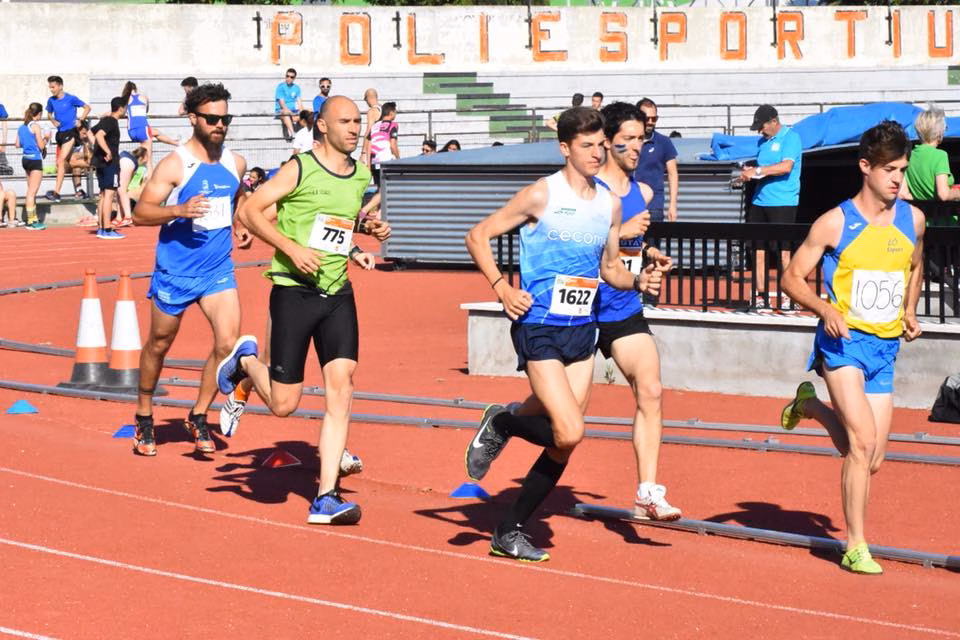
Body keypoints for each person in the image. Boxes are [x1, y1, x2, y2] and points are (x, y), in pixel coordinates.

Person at [462, 106, 664, 562]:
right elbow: (478, 235)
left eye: (600, 145)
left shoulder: (608, 204)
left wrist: (639, 281)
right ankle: (504, 422)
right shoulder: (541, 194)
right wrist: (500, 287)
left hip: (582, 330)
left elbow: (610, 268)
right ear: (565, 148)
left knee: (562, 442)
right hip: (539, 325)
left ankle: (509, 530)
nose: (597, 153)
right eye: (587, 146)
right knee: (570, 430)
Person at [217, 96, 391, 525]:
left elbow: (334, 221)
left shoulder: (361, 174)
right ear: (324, 128)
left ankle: (326, 496)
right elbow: (249, 210)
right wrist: (291, 248)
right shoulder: (299, 167)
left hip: (337, 293)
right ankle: (245, 363)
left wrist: (361, 238)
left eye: (357, 122)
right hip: (294, 291)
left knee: (342, 385)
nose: (355, 128)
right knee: (284, 405)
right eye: (345, 122)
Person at [780, 121, 924, 575]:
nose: (898, 179)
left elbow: (915, 266)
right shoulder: (835, 222)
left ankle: (813, 408)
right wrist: (824, 308)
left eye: (902, 169)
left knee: (874, 458)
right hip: (842, 345)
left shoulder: (913, 219)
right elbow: (791, 278)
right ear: (866, 167)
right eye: (889, 170)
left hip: (884, 348)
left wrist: (909, 309)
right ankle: (855, 544)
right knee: (861, 444)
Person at [131, 82, 252, 457]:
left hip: (218, 270)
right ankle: (144, 415)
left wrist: (242, 221)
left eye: (225, 118)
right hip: (176, 271)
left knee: (227, 344)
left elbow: (238, 197)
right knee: (159, 344)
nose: (220, 125)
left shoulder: (236, 162)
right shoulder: (176, 164)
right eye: (213, 118)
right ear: (193, 117)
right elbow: (140, 214)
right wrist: (178, 210)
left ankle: (199, 414)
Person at [594, 102, 680, 521]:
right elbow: (573, 249)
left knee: (651, 390)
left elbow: (626, 249)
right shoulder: (588, 190)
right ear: (606, 143)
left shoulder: (642, 192)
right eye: (625, 139)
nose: (635, 147)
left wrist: (647, 251)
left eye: (640, 139)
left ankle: (647, 490)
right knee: (562, 422)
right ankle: (508, 421)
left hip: (621, 307)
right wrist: (621, 232)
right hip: (578, 310)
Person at [734, 104, 803, 311]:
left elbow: (785, 167)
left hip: (783, 201)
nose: (760, 131)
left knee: (784, 251)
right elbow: (763, 168)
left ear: (774, 121)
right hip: (759, 201)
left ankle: (791, 296)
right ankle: (760, 296)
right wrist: (750, 171)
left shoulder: (791, 138)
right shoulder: (762, 142)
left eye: (762, 126)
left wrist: (757, 171)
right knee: (758, 250)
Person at [44, 75, 90, 202]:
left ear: (60, 86)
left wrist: (80, 120)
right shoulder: (51, 100)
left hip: (71, 133)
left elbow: (87, 107)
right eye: (50, 87)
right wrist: (53, 121)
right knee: (67, 163)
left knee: (60, 160)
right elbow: (48, 113)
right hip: (60, 134)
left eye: (53, 87)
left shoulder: (71, 98)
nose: (51, 89)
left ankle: (56, 193)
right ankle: (93, 164)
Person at [902, 105, 960, 202]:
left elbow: (903, 194)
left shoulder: (908, 156)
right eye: (945, 128)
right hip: (943, 215)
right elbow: (943, 195)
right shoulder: (940, 155)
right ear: (939, 132)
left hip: (921, 215)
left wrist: (922, 200)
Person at [120, 81, 179, 172]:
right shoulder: (144, 97)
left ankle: (176, 143)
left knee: (156, 133)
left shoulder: (125, 99)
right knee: (148, 161)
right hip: (143, 129)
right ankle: (177, 143)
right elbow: (146, 111)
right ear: (135, 89)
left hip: (131, 131)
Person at [91, 97, 127, 239]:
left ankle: (101, 227)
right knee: (109, 195)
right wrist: (107, 151)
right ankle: (107, 228)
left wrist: (96, 150)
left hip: (100, 162)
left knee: (103, 195)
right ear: (121, 108)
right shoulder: (111, 121)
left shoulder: (105, 120)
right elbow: (99, 135)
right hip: (109, 163)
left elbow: (90, 132)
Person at [15, 102, 47, 230]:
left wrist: (28, 143)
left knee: (30, 191)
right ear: (38, 114)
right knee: (32, 193)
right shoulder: (36, 126)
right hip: (35, 160)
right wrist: (46, 139)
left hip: (25, 160)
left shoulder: (21, 127)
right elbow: (41, 146)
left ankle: (32, 217)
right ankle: (31, 221)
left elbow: (17, 144)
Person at [367, 101, 399, 187]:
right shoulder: (393, 125)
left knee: (379, 189)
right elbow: (393, 145)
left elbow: (368, 146)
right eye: (395, 112)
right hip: (387, 162)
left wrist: (369, 164)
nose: (395, 115)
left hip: (375, 163)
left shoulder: (374, 126)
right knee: (389, 189)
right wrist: (398, 158)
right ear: (391, 113)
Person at [117, 146, 148, 224]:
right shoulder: (133, 162)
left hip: (124, 161)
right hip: (123, 160)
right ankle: (119, 217)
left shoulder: (139, 166)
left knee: (121, 190)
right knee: (120, 191)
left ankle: (128, 217)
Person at [67, 119, 93, 200]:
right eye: (83, 133)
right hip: (67, 165)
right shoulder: (72, 140)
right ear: (78, 131)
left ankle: (79, 191)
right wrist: (82, 156)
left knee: (79, 164)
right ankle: (79, 190)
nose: (85, 136)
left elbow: (89, 156)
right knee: (76, 166)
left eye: (86, 133)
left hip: (82, 163)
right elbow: (69, 159)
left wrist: (86, 143)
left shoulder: (87, 140)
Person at [275, 68, 302, 142]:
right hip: (281, 111)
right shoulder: (280, 87)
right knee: (286, 112)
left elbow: (299, 103)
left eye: (291, 77)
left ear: (294, 78)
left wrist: (302, 112)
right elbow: (282, 103)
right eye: (287, 76)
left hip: (293, 111)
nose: (289, 78)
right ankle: (293, 134)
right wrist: (291, 113)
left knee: (309, 112)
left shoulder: (297, 88)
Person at [359, 88, 381, 167]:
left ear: (368, 98)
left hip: (375, 149)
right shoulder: (384, 109)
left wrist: (363, 153)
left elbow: (369, 131)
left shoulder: (372, 111)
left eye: (365, 99)